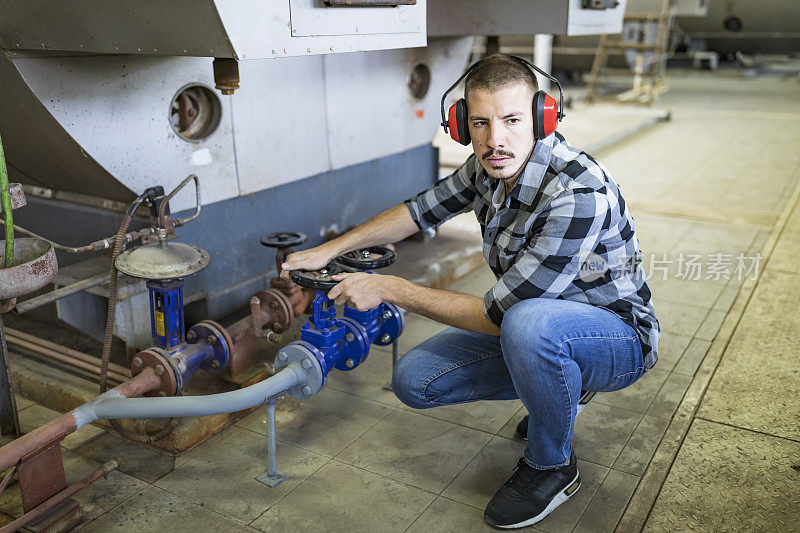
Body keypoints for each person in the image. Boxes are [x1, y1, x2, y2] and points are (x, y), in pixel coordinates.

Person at [281, 54, 659, 529]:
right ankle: (566, 386)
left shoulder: (578, 196)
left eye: (512, 120)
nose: (495, 138)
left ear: (543, 118)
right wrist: (328, 249)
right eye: (480, 122)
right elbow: (419, 212)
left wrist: (391, 288)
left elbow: (498, 317)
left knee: (526, 323)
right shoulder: (489, 166)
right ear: (462, 124)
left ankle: (552, 466)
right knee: (415, 380)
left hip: (618, 338)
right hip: (544, 327)